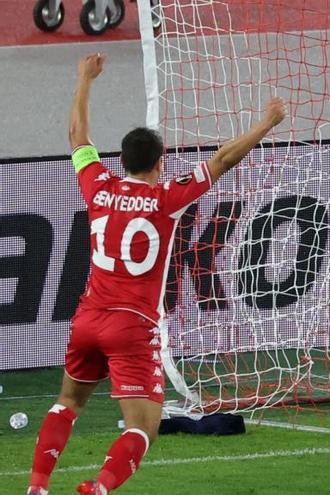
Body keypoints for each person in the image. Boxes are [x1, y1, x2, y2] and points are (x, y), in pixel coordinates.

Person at [27, 53, 287, 495]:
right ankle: (100, 488)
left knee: (67, 402)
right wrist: (266, 123)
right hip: (133, 326)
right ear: (160, 161)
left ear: (121, 160)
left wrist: (84, 79)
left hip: (88, 318)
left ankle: (37, 486)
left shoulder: (99, 185)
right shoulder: (168, 198)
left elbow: (76, 134)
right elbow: (222, 159)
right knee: (142, 429)